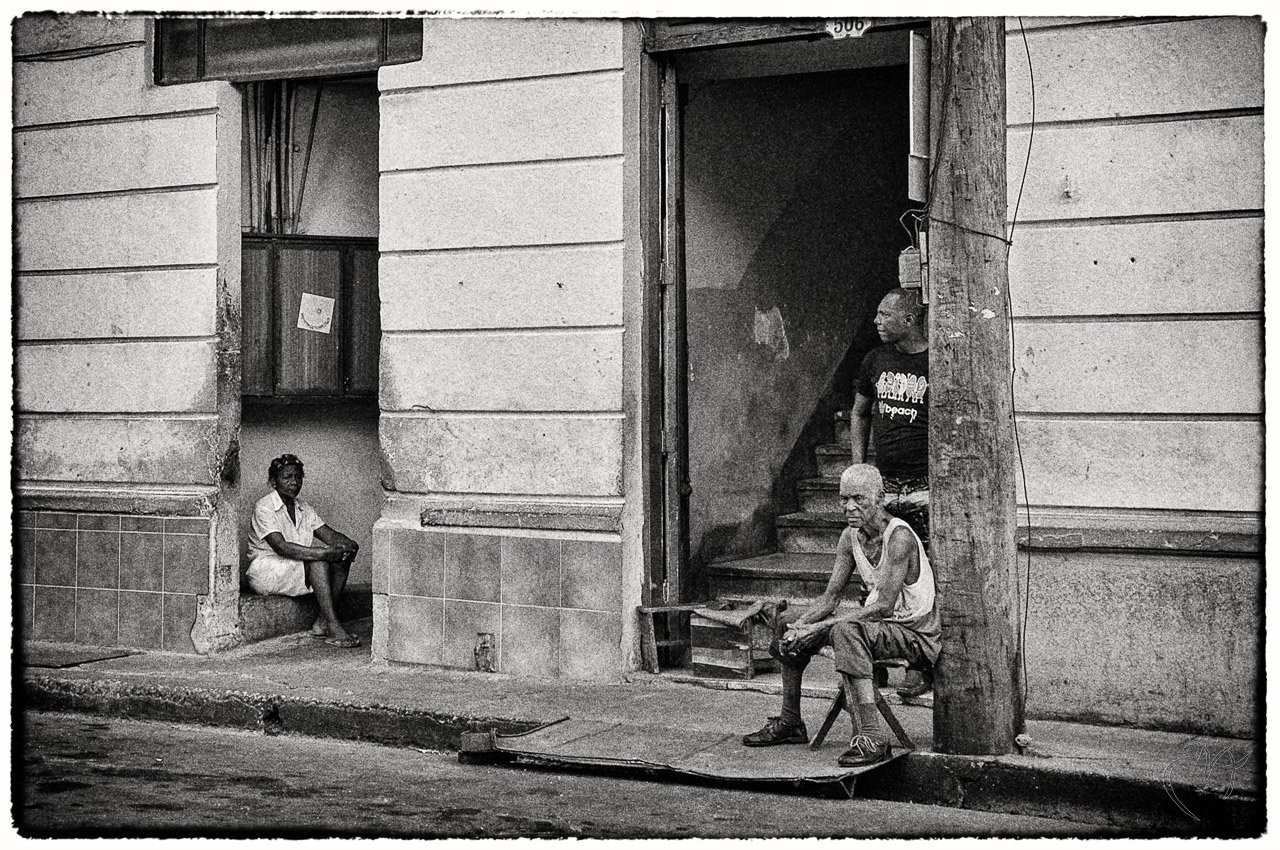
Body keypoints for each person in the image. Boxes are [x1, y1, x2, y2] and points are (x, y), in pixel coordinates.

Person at [742, 464, 939, 767]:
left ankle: (871, 738)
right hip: (881, 626)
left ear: (880, 498)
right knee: (785, 622)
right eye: (844, 499)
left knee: (846, 631)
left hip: (915, 633)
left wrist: (816, 629)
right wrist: (800, 625)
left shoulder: (899, 537)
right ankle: (791, 722)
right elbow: (830, 598)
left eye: (859, 498)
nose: (849, 507)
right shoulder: (850, 537)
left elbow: (884, 607)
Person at [851, 287, 932, 699]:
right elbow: (860, 412)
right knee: (873, 573)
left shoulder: (935, 361)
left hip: (924, 487)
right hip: (884, 486)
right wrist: (859, 470)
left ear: (910, 319)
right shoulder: (874, 360)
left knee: (922, 580)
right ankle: (873, 661)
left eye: (885, 315)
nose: (877, 321)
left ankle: (920, 666)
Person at [246, 453, 362, 648]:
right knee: (319, 561)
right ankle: (333, 626)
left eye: (298, 477)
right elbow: (281, 547)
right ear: (274, 482)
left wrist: (349, 544)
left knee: (341, 558)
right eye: (287, 477)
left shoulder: (304, 508)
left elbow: (329, 535)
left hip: (295, 564)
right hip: (266, 569)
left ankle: (322, 622)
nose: (294, 482)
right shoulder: (264, 507)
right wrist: (323, 553)